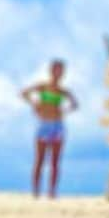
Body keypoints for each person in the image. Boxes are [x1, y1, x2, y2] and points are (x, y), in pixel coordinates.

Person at [20, 59, 78, 198]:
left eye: (61, 71)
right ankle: (36, 191)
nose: (58, 73)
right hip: (43, 124)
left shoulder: (63, 91)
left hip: (57, 125)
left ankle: (52, 192)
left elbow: (75, 104)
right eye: (56, 70)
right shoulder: (43, 86)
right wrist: (35, 104)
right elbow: (24, 93)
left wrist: (64, 111)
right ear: (51, 71)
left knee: (55, 161)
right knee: (39, 159)